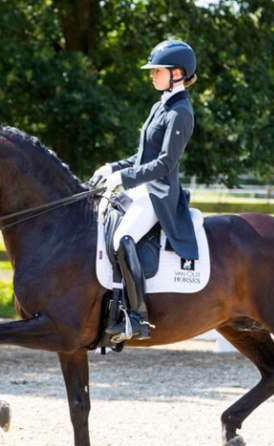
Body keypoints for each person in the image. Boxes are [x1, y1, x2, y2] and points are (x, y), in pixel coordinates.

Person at [92, 39, 200, 341]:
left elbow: (165, 163)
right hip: (141, 188)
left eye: (157, 71)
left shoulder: (181, 112)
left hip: (159, 193)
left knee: (123, 238)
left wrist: (126, 178)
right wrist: (113, 168)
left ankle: (137, 317)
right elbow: (142, 158)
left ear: (177, 72)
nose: (152, 75)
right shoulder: (160, 106)